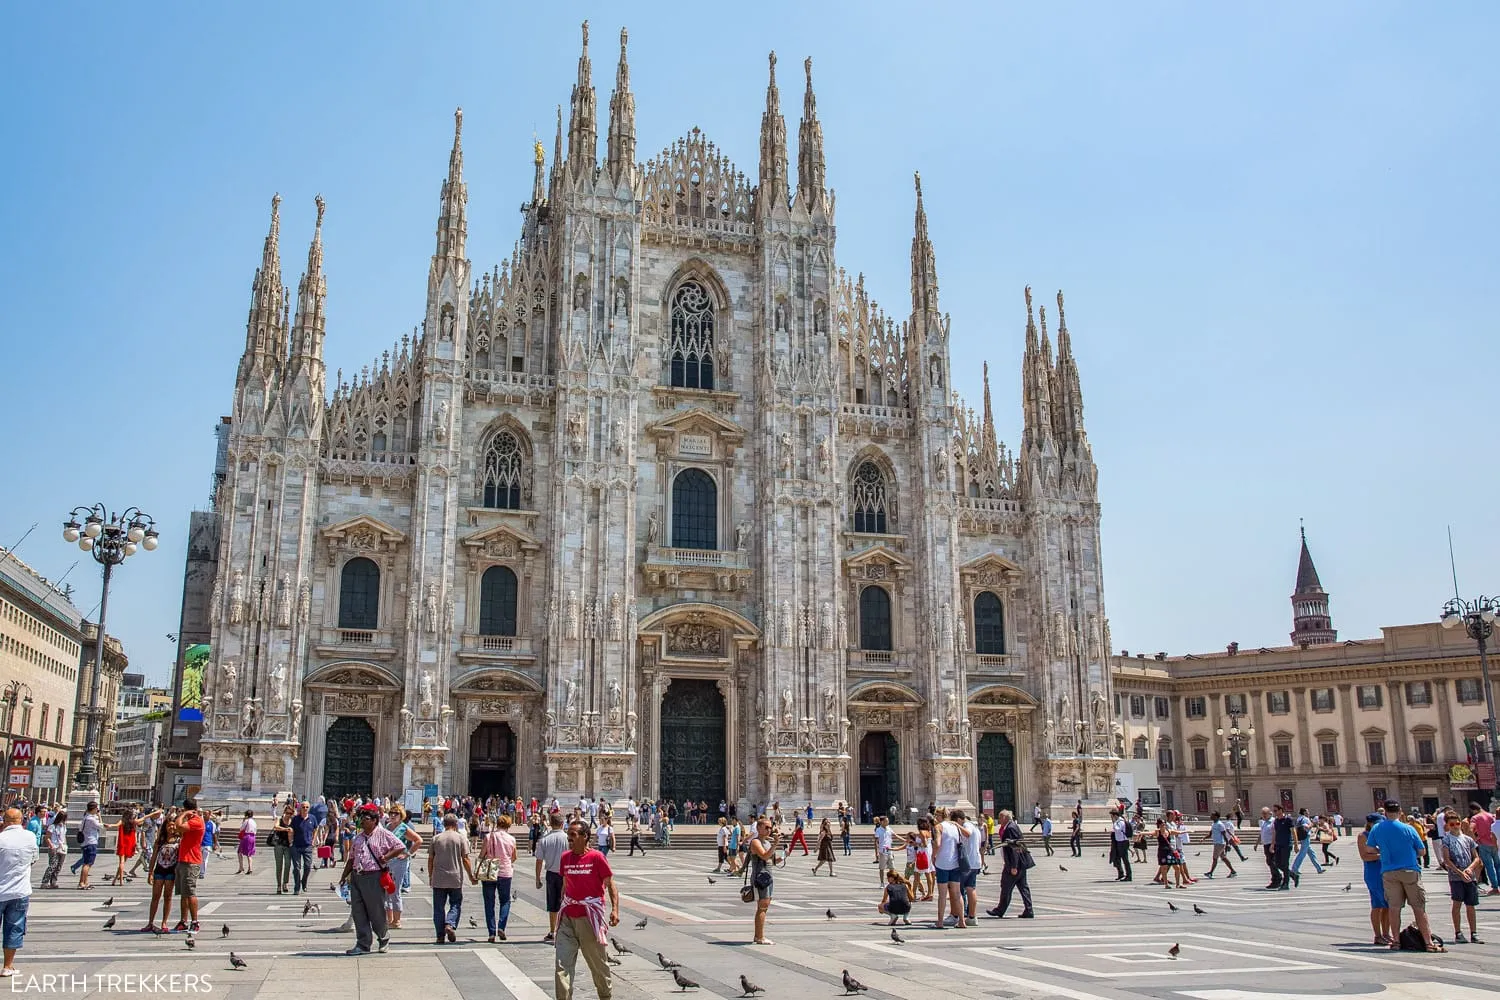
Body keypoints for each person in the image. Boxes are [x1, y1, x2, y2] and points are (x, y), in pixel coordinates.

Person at [554, 820, 619, 1000]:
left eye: (573, 835)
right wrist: (562, 904)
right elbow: (565, 884)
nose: (569, 838)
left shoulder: (597, 857)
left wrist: (615, 910)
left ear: (585, 837)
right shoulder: (565, 857)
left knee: (598, 966)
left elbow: (610, 884)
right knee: (562, 966)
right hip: (568, 918)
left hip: (589, 919)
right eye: (569, 834)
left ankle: (605, 996)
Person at [1367, 799, 1440, 952]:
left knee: (1394, 908)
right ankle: (1428, 942)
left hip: (1388, 871)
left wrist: (1384, 852)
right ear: (1400, 811)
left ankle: (1396, 941)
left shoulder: (1377, 828)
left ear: (1385, 812)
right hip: (1409, 870)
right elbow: (1422, 851)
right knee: (1419, 908)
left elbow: (1370, 849)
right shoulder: (1408, 828)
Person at [339, 806, 403, 955]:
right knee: (358, 911)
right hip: (357, 876)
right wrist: (343, 877)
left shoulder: (383, 834)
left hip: (374, 876)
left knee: (376, 911)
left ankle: (383, 938)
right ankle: (362, 944)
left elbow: (400, 846)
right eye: (361, 818)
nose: (362, 821)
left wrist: (387, 857)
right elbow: (352, 858)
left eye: (366, 819)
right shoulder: (358, 837)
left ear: (374, 821)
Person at [0, 809, 37, 978]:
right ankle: (7, 966)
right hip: (19, 891)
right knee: (14, 928)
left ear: (5, 820)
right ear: (21, 820)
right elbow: (34, 859)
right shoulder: (29, 837)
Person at [429, 813, 476, 945]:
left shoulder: (436, 838)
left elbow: (430, 859)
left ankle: (439, 936)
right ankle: (450, 924)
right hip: (455, 878)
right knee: (455, 903)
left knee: (438, 907)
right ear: (456, 825)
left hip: (439, 878)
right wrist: (471, 876)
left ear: (443, 824)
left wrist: (430, 875)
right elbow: (465, 859)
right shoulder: (460, 838)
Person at [1438, 812, 1483, 943]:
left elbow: (1476, 857)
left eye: (1457, 823)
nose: (1455, 826)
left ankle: (1474, 933)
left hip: (1470, 876)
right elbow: (1447, 860)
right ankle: (1458, 932)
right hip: (1456, 877)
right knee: (1457, 903)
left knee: (1471, 905)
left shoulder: (1468, 839)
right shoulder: (1446, 839)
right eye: (1452, 824)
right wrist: (1459, 872)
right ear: (1447, 825)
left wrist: (1470, 868)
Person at [988, 809, 1033, 918]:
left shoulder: (1010, 828)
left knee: (1006, 886)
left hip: (1015, 864)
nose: (999, 820)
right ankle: (1029, 910)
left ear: (1005, 818)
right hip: (1021, 863)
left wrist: (1013, 866)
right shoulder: (1012, 826)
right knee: (1023, 888)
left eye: (1000, 817)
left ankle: (1000, 910)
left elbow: (1015, 848)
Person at [1357, 813, 1393, 946]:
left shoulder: (1382, 835)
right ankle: (1377, 935)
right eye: (1376, 823)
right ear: (1370, 823)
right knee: (1377, 904)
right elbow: (1365, 856)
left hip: (1386, 871)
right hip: (1373, 873)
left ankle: (1386, 933)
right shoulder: (1363, 836)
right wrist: (1382, 855)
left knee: (1388, 905)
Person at [480, 814, 517, 942]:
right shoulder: (512, 839)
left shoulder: (488, 836)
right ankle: (501, 926)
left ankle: (491, 932)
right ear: (508, 825)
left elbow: (482, 854)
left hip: (490, 871)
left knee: (489, 903)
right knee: (505, 901)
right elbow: (514, 857)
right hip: (505, 872)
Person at [384, 806, 422, 930]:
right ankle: (388, 919)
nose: (393, 815)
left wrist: (408, 854)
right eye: (391, 813)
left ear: (401, 815)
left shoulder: (403, 828)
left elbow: (418, 840)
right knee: (386, 890)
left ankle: (396, 921)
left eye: (396, 813)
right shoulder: (388, 827)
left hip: (399, 862)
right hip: (388, 861)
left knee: (395, 890)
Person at [535, 812, 569, 943]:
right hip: (566, 875)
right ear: (562, 824)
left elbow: (539, 860)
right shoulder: (568, 838)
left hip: (551, 874)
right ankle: (564, 930)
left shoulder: (544, 839)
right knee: (565, 903)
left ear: (550, 823)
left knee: (552, 903)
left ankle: (553, 931)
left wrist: (538, 878)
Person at [932, 808, 967, 929]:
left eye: (935, 815)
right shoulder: (955, 827)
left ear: (939, 815)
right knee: (957, 893)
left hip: (942, 863)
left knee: (942, 894)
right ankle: (962, 921)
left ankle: (940, 922)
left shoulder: (939, 827)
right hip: (955, 863)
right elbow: (967, 835)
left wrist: (933, 855)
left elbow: (937, 843)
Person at [173, 800, 205, 933]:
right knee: (183, 893)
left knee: (190, 893)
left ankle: (195, 922)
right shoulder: (191, 821)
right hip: (184, 859)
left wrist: (183, 814)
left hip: (191, 861)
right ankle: (183, 921)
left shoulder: (196, 821)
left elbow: (177, 826)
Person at [144, 819, 180, 933]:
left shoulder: (179, 840)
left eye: (174, 826)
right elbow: (154, 857)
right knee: (155, 897)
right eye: (169, 826)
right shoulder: (160, 841)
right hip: (159, 870)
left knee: (168, 897)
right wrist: (150, 872)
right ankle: (150, 922)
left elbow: (179, 858)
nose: (172, 828)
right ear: (165, 827)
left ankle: (164, 922)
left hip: (171, 871)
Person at [748, 816, 777, 945]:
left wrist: (784, 856)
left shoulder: (767, 842)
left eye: (770, 827)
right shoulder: (755, 842)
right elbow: (764, 856)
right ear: (759, 828)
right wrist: (775, 844)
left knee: (765, 906)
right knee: (762, 907)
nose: (769, 830)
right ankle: (759, 937)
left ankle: (758, 936)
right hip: (760, 877)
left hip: (768, 876)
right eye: (766, 827)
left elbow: (771, 860)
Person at [1470, 802, 1499, 896]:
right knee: (1498, 865)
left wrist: (1475, 840)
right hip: (1495, 843)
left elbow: (1471, 829)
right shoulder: (1491, 816)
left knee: (1489, 866)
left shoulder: (1476, 818)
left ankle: (1495, 887)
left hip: (1483, 844)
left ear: (1474, 810)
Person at [72, 801, 102, 889]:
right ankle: (81, 883)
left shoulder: (85, 818)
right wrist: (100, 816)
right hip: (90, 842)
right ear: (93, 809)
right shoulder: (91, 819)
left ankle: (85, 882)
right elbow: (100, 826)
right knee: (88, 864)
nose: (97, 810)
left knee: (86, 863)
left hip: (86, 842)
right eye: (97, 808)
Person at [290, 800, 318, 894]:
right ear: (300, 808)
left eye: (307, 807)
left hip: (307, 846)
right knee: (297, 868)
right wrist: (290, 841)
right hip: (296, 846)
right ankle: (297, 887)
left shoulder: (312, 818)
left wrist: (313, 840)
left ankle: (304, 882)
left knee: (308, 866)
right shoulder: (295, 819)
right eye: (303, 807)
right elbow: (291, 830)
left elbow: (316, 829)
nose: (305, 809)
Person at [1290, 808, 1324, 879]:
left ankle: (1319, 868)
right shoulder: (1305, 819)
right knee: (1302, 853)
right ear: (1304, 812)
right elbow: (1307, 827)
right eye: (1307, 811)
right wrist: (1313, 824)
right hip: (1306, 837)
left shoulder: (1299, 818)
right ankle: (1294, 869)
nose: (1308, 812)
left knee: (1312, 853)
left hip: (1302, 836)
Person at [1203, 811, 1237, 879]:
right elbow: (1210, 834)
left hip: (1219, 843)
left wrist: (1227, 844)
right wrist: (1204, 838)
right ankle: (1233, 871)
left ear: (1216, 816)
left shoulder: (1220, 824)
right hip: (1217, 843)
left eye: (1212, 815)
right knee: (1224, 858)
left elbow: (1224, 835)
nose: (1211, 816)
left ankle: (1211, 873)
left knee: (1215, 858)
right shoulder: (1213, 824)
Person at [269, 803, 294, 893]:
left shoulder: (293, 821)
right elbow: (276, 827)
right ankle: (279, 885)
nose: (289, 815)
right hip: (279, 844)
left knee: (288, 864)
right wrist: (286, 829)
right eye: (287, 813)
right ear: (284, 812)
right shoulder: (279, 819)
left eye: (291, 813)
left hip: (288, 845)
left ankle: (285, 883)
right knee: (279, 866)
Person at [40, 812, 66, 891]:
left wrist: (65, 845)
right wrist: (51, 845)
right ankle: (44, 882)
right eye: (63, 819)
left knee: (58, 866)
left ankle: (53, 882)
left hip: (62, 848)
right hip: (54, 847)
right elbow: (47, 837)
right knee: (52, 865)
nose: (64, 821)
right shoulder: (52, 826)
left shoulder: (64, 827)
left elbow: (64, 837)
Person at [1271, 805, 1294, 890]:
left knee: (1285, 864)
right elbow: (1275, 833)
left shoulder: (1288, 819)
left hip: (1286, 845)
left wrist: (1295, 844)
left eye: (1276, 811)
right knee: (1277, 863)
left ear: (1281, 810)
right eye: (1274, 811)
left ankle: (1286, 883)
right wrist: (1272, 844)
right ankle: (1293, 875)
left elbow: (1293, 831)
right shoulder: (1276, 821)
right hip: (1278, 845)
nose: (1275, 813)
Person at [112, 809, 137, 886]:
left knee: (121, 862)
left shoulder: (122, 822)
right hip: (130, 843)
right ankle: (117, 880)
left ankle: (119, 880)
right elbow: (135, 833)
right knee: (123, 862)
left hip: (122, 842)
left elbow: (116, 825)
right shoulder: (133, 823)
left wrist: (109, 825)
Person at [1109, 809, 1132, 882]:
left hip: (1123, 842)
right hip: (1119, 842)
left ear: (1115, 815)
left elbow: (1118, 829)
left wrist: (1114, 823)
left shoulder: (1120, 822)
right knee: (1118, 858)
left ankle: (1129, 875)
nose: (1112, 818)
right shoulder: (1118, 822)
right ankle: (1121, 873)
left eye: (1112, 816)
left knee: (1125, 859)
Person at [873, 816, 894, 884]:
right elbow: (876, 841)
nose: (887, 822)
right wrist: (877, 852)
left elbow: (895, 835)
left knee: (892, 868)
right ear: (882, 822)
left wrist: (905, 840)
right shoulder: (878, 830)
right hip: (882, 851)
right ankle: (882, 882)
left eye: (887, 821)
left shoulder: (889, 828)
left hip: (890, 850)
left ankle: (892, 881)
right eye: (886, 821)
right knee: (882, 868)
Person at [235, 810, 257, 876]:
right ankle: (249, 867)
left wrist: (243, 821)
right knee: (249, 853)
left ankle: (242, 867)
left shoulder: (246, 821)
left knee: (239, 852)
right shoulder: (254, 822)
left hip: (246, 836)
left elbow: (241, 829)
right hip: (253, 837)